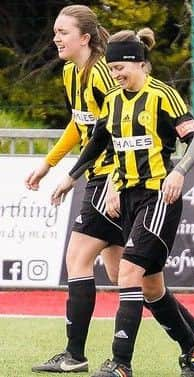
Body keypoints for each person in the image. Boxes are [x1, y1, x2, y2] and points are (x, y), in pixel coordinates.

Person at [51, 28, 194, 377]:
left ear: (140, 63)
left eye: (121, 67)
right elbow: (97, 142)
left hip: (158, 196)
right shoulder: (113, 100)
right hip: (126, 196)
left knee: (127, 272)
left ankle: (121, 363)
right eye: (112, 69)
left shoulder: (162, 96)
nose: (116, 74)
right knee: (152, 288)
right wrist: (70, 177)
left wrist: (179, 170)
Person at [27, 5, 124, 373]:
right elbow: (79, 125)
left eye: (63, 32)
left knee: (78, 259)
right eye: (55, 31)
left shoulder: (103, 74)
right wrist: (48, 163)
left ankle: (74, 355)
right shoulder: (71, 73)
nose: (56, 38)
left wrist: (75, 175)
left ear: (85, 38)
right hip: (99, 175)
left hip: (113, 177)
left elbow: (114, 131)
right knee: (122, 276)